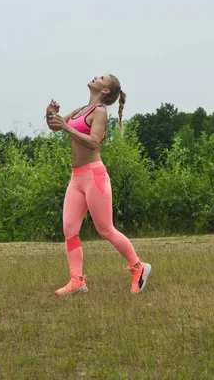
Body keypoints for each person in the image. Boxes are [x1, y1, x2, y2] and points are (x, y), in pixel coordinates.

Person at [46, 74, 151, 296]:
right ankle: (76, 281)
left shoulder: (100, 112)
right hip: (76, 178)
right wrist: (50, 114)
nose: (96, 77)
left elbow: (94, 143)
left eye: (101, 77)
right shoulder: (81, 109)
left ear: (105, 91)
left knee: (105, 229)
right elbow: (56, 126)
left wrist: (67, 128)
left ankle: (138, 267)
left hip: (94, 176)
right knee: (69, 229)